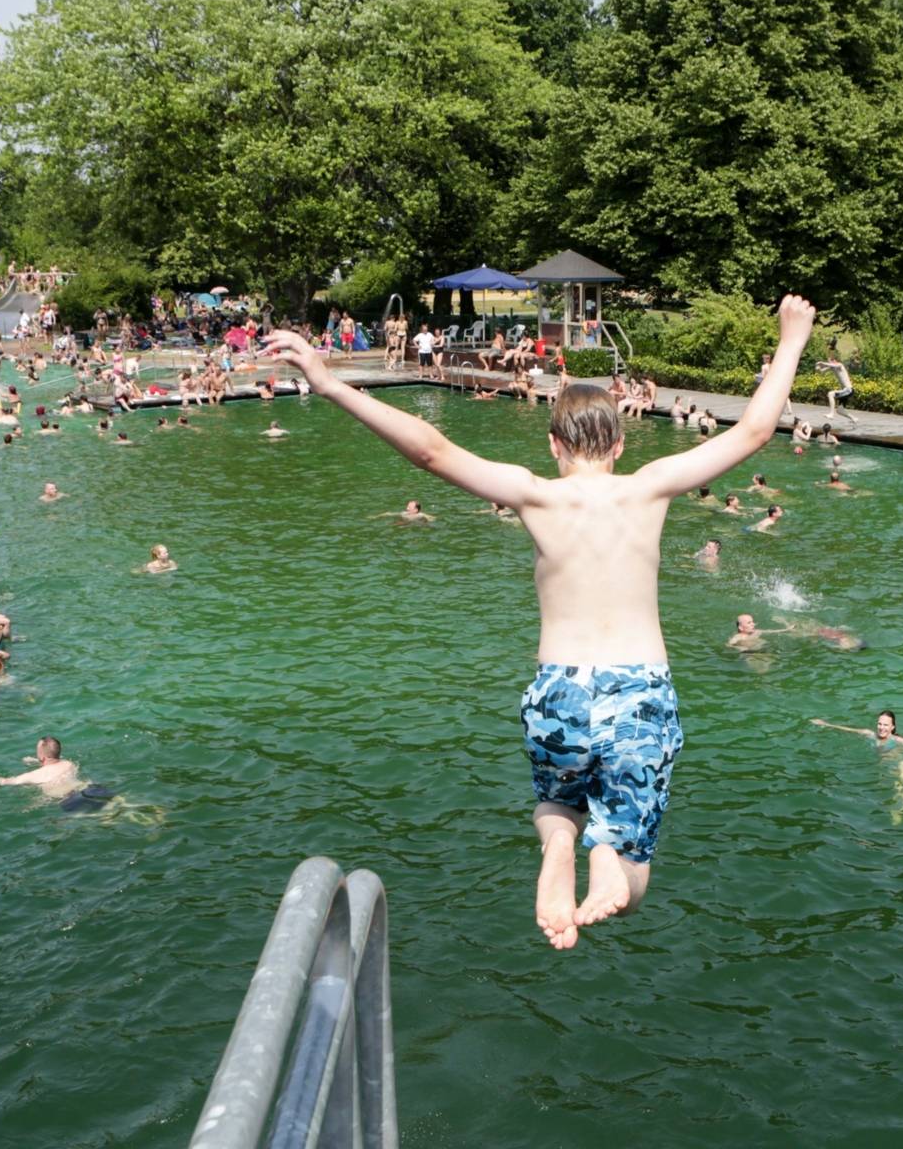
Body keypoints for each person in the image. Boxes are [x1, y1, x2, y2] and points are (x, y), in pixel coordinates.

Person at [265, 294, 819, 950]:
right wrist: (791, 338)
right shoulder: (651, 485)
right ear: (619, 443)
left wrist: (330, 382)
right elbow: (753, 431)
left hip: (560, 688)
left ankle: (559, 845)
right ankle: (606, 857)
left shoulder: (534, 495)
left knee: (557, 803)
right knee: (631, 878)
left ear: (553, 443)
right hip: (639, 691)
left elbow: (431, 451)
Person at [0, 736, 81, 799]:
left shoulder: (34, 775)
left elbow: (4, 781)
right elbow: (53, 761)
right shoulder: (68, 764)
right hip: (82, 790)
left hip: (66, 801)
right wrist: (36, 760)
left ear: (42, 756)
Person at [816, 353, 854, 421]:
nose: (829, 363)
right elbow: (822, 372)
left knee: (830, 394)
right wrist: (818, 368)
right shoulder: (832, 367)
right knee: (840, 410)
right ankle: (854, 418)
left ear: (834, 360)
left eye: (830, 361)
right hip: (845, 391)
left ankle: (831, 414)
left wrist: (823, 363)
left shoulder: (840, 365)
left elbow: (832, 365)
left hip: (848, 390)